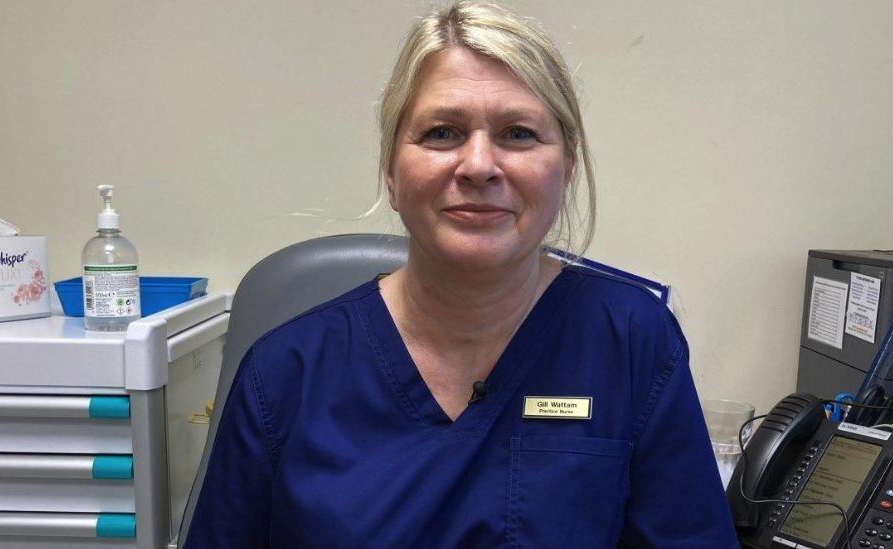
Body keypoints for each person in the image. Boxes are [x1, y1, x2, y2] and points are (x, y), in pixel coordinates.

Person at [185, 2, 738, 547]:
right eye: (443, 133)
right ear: (392, 172)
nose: (478, 165)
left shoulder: (633, 342)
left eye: (518, 133)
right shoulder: (285, 374)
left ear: (567, 168)